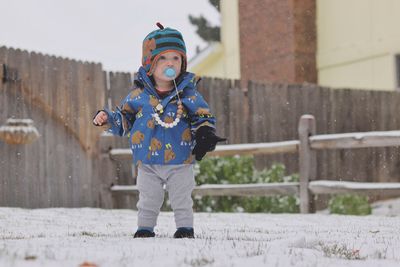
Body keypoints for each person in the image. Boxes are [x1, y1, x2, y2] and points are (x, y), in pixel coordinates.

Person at [93, 22, 225, 238]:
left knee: (182, 196)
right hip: (147, 162)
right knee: (148, 197)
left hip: (180, 159)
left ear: (182, 62)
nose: (169, 63)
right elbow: (124, 119)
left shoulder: (188, 95)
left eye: (176, 58)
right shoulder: (137, 96)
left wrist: (204, 132)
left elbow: (202, 115)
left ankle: (185, 228)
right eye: (162, 58)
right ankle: (145, 228)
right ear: (149, 64)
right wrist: (108, 117)